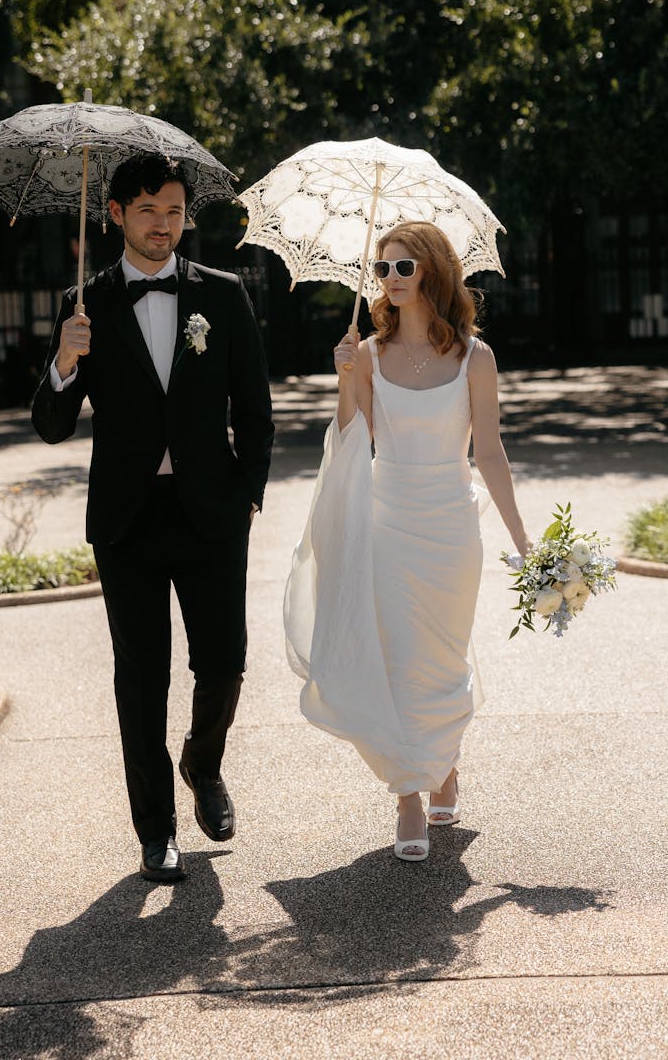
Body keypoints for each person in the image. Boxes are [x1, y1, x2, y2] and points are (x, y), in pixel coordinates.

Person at [32, 154, 274, 883]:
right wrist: (65, 365)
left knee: (224, 662)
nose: (162, 224)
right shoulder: (86, 306)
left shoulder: (224, 297)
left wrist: (248, 497)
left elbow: (254, 410)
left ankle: (203, 761)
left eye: (173, 211)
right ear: (115, 214)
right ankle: (157, 832)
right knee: (142, 679)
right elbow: (49, 426)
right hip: (127, 520)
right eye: (147, 211)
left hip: (212, 514)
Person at [284, 220, 531, 861]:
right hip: (387, 522)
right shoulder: (366, 354)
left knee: (442, 658)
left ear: (431, 271)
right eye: (382, 269)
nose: (390, 280)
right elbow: (351, 439)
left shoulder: (475, 357)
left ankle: (443, 761)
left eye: (403, 268)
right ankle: (408, 796)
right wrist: (343, 379)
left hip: (452, 525)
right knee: (396, 657)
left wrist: (524, 540)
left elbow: (492, 453)